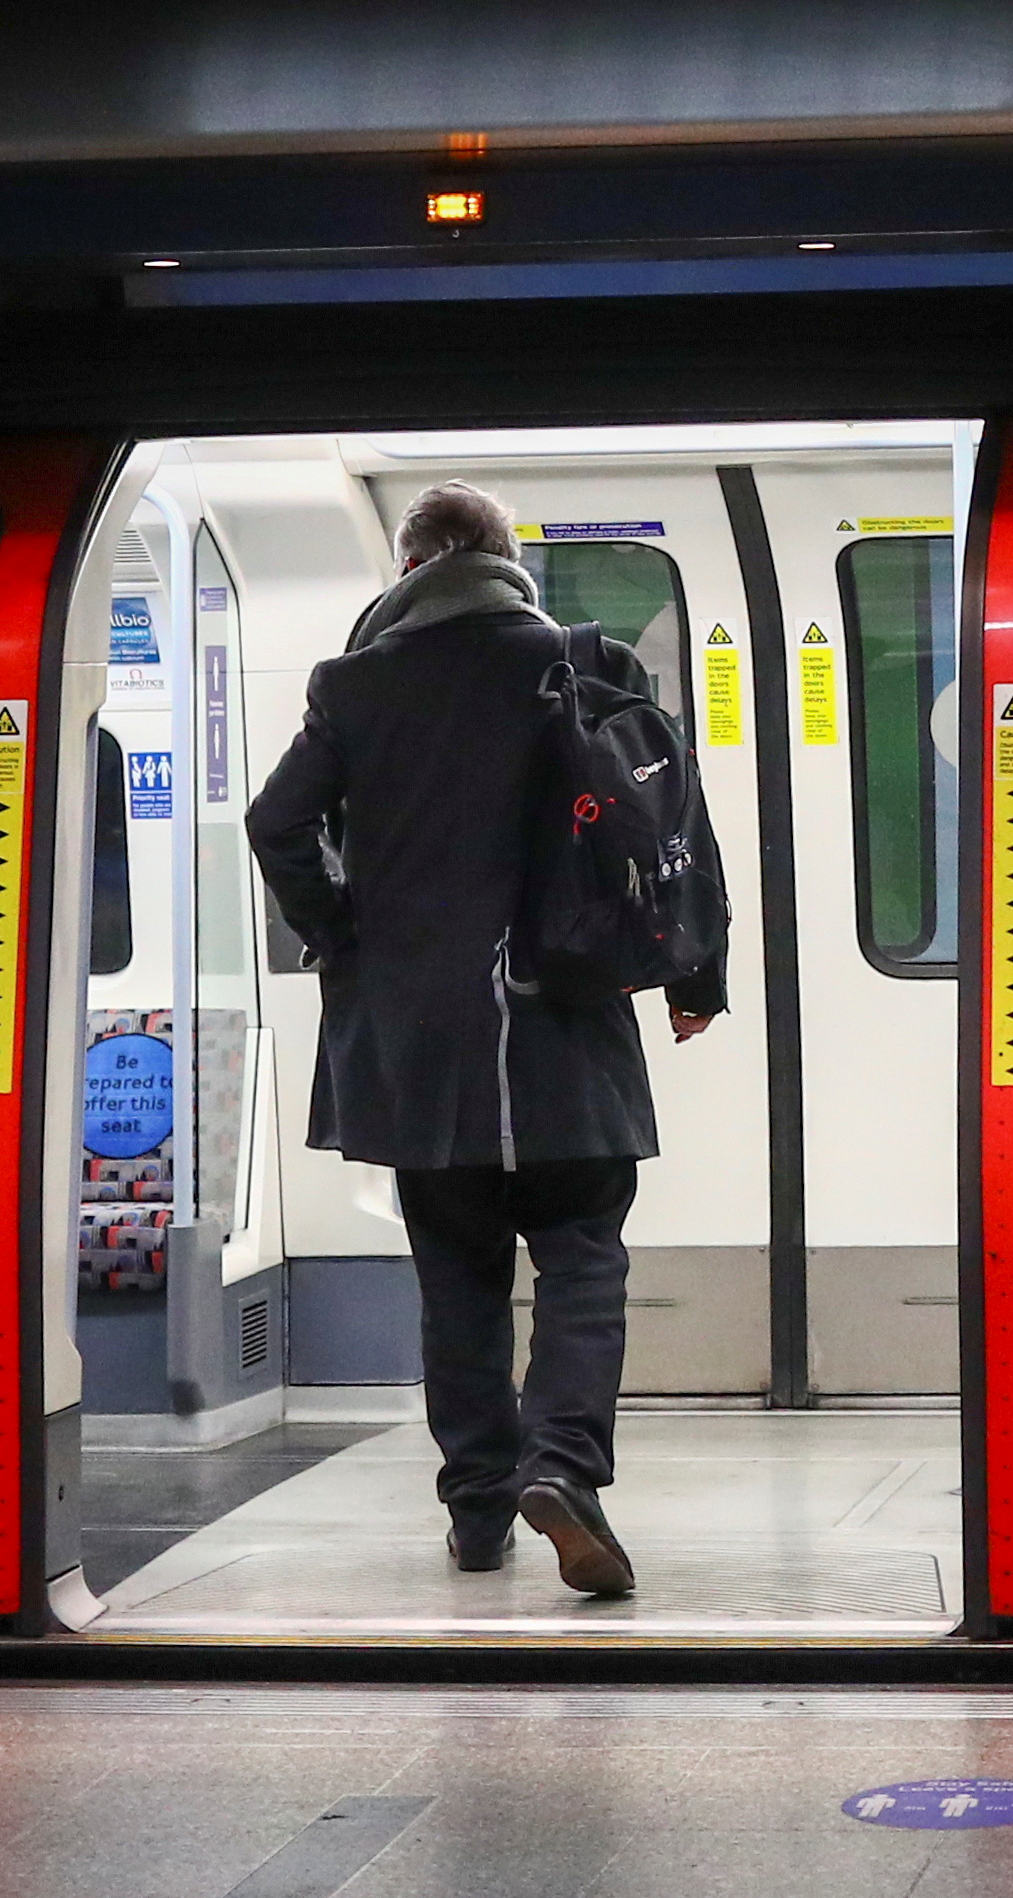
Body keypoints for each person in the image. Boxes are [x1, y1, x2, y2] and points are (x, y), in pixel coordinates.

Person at [244, 480, 726, 1597]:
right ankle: (563, 1470)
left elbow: (277, 822)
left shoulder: (355, 685)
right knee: (583, 1254)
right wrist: (694, 977)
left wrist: (342, 935)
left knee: (456, 1275)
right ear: (509, 562)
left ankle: (475, 1512)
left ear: (411, 568)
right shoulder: (585, 664)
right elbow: (676, 830)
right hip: (569, 1022)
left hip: (420, 1046)